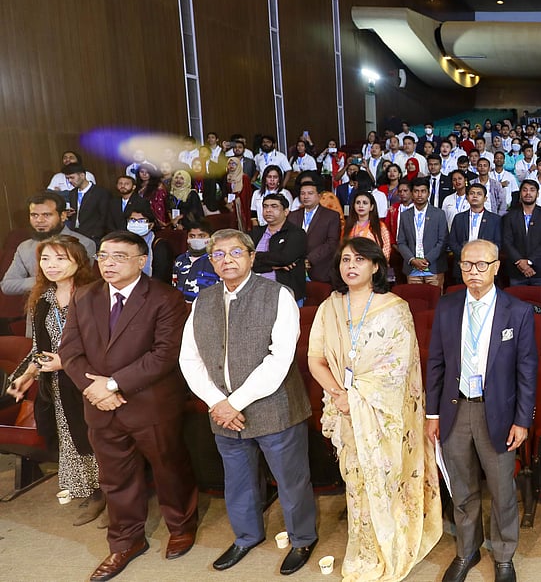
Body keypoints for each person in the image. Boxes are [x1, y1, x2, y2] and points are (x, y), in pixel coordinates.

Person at [58, 230, 198, 581]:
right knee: (115, 477)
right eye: (104, 256)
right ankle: (126, 540)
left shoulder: (165, 297)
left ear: (142, 261)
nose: (108, 263)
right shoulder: (85, 295)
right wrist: (94, 389)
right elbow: (70, 350)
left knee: (168, 468)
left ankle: (181, 525)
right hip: (100, 405)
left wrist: (112, 384)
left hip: (150, 403)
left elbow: (164, 355)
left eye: (119, 257)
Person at [177, 229, 317, 575]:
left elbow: (279, 359)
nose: (227, 260)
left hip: (274, 407)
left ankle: (302, 538)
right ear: (211, 261)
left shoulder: (277, 295)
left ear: (252, 257)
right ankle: (246, 536)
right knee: (237, 480)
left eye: (236, 252)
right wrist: (217, 402)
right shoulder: (203, 300)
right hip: (223, 411)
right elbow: (189, 358)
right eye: (219, 254)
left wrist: (234, 402)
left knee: (291, 480)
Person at [307, 237, 442, 580]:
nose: (351, 266)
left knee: (385, 478)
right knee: (356, 481)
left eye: (359, 260)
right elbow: (316, 359)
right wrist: (339, 394)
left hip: (384, 414)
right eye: (345, 260)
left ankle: (392, 544)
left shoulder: (395, 308)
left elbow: (399, 368)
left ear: (376, 266)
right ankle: (366, 547)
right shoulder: (329, 308)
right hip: (346, 409)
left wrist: (355, 397)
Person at [425, 239, 538, 582]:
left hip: (498, 413)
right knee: (461, 487)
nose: (473, 271)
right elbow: (436, 363)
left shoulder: (517, 311)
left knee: (503, 490)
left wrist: (522, 420)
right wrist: (432, 414)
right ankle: (467, 549)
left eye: (481, 264)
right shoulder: (447, 306)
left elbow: (527, 371)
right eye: (466, 264)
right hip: (455, 409)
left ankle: (503, 555)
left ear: (496, 267)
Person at [5, 235, 104, 526]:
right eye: (45, 259)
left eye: (60, 258)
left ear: (79, 260)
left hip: (89, 379)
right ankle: (94, 492)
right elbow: (40, 347)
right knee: (73, 438)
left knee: (98, 438)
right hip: (59, 383)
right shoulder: (42, 299)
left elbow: (104, 344)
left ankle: (114, 493)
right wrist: (26, 376)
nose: (51, 265)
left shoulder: (93, 295)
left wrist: (67, 360)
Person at [3, 192, 95, 297]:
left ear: (63, 216)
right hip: (37, 305)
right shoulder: (24, 247)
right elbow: (7, 285)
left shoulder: (83, 243)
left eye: (46, 215)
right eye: (34, 215)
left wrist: (46, 279)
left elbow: (80, 280)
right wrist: (45, 279)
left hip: (75, 303)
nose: (39, 220)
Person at [250, 194, 307, 305]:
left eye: (274, 206)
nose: (268, 210)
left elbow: (285, 258)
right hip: (256, 293)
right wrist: (272, 266)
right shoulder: (256, 233)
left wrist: (256, 255)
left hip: (286, 294)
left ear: (286, 212)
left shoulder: (296, 233)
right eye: (265, 206)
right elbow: (246, 261)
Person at [395, 178, 450, 289]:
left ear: (428, 193)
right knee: (415, 299)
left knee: (435, 298)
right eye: (416, 191)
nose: (419, 195)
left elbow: (443, 241)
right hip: (412, 268)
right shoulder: (405, 215)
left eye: (423, 191)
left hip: (434, 267)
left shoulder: (439, 214)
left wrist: (427, 259)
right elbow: (401, 242)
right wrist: (412, 260)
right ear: (411, 193)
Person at [501, 180, 541, 288]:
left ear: (537, 194)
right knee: (516, 299)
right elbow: (507, 242)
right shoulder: (510, 215)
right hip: (517, 271)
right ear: (520, 193)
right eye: (525, 190)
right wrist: (520, 262)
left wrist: (528, 262)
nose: (528, 193)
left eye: (532, 190)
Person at [286, 181, 341, 284]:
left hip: (321, 269)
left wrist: (310, 259)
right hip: (295, 269)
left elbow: (332, 243)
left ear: (319, 196)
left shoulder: (331, 216)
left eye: (310, 193)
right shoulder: (292, 215)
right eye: (302, 193)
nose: (306, 196)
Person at [124, 201, 174, 284]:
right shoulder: (122, 244)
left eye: (141, 221)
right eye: (132, 220)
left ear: (151, 225)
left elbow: (161, 279)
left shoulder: (160, 246)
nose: (136, 224)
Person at [63, 162, 111, 246]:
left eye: (72, 177)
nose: (70, 181)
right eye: (68, 178)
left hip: (93, 236)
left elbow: (104, 216)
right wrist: (69, 214)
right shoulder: (72, 193)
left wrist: (96, 234)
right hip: (75, 235)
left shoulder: (100, 192)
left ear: (82, 175)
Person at [171, 221, 219, 302]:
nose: (196, 239)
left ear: (211, 238)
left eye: (201, 236)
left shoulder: (217, 260)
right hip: (181, 306)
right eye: (192, 236)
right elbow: (174, 284)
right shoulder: (180, 260)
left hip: (207, 306)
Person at [343, 190, 392, 259]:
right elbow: (343, 247)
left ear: (371, 207)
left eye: (365, 203)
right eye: (358, 203)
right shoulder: (348, 225)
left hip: (372, 262)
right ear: (354, 206)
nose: (361, 206)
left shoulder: (380, 226)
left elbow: (386, 250)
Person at [224, 156, 254, 231]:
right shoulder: (227, 177)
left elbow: (247, 194)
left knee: (242, 222)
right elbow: (227, 191)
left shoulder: (244, 177)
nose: (231, 166)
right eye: (229, 164)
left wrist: (237, 199)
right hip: (231, 203)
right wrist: (228, 201)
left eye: (234, 164)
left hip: (241, 203)